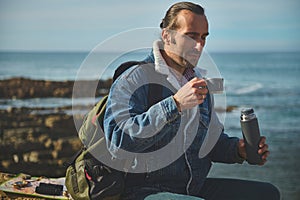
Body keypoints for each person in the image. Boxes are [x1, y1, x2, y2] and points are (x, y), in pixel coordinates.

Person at [103, 2, 280, 200]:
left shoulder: (198, 84)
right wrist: (175, 104)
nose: (199, 45)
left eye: (203, 37)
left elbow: (208, 142)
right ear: (167, 36)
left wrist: (238, 150)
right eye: (191, 36)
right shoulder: (134, 78)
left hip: (193, 189)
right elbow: (117, 143)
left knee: (268, 193)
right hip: (143, 192)